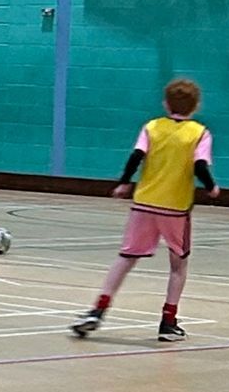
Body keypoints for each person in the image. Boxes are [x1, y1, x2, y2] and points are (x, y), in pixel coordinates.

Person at [72, 78, 217, 343]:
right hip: (175, 208)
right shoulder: (199, 133)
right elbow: (199, 166)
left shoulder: (151, 127)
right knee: (178, 265)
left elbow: (136, 156)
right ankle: (168, 321)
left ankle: (98, 308)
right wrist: (212, 187)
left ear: (165, 103)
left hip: (144, 203)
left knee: (126, 257)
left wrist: (124, 182)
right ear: (196, 106)